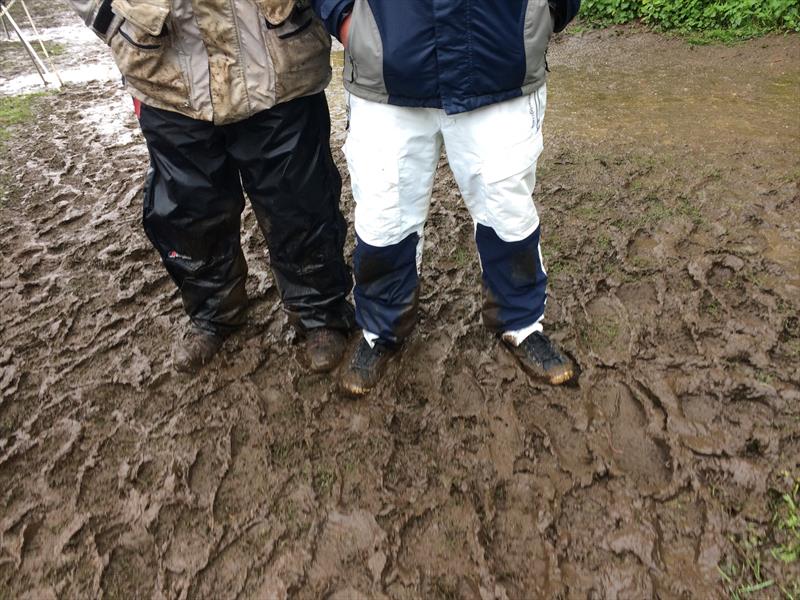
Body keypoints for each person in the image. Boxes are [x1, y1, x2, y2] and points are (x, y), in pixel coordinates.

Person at [67, 0, 355, 373]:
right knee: (190, 213)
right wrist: (113, 21)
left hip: (278, 61)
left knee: (300, 202)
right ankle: (213, 314)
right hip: (165, 74)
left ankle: (320, 312)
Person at [311, 0, 581, 395]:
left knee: (507, 209)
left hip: (498, 60)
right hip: (385, 70)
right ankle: (381, 329)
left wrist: (543, 11)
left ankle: (520, 322)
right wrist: (349, 21)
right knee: (385, 215)